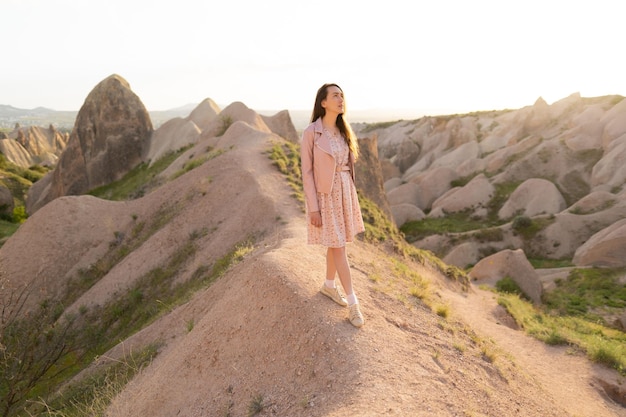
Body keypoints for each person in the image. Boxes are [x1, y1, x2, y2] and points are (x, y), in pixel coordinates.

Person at [300, 83, 366, 328]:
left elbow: (348, 167)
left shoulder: (343, 131)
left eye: (342, 95)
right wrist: (314, 208)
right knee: (338, 246)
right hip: (326, 197)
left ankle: (329, 286)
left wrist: (350, 194)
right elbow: (307, 173)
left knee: (336, 243)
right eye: (335, 95)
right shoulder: (311, 133)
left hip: (344, 192)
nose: (341, 99)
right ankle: (353, 304)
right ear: (323, 102)